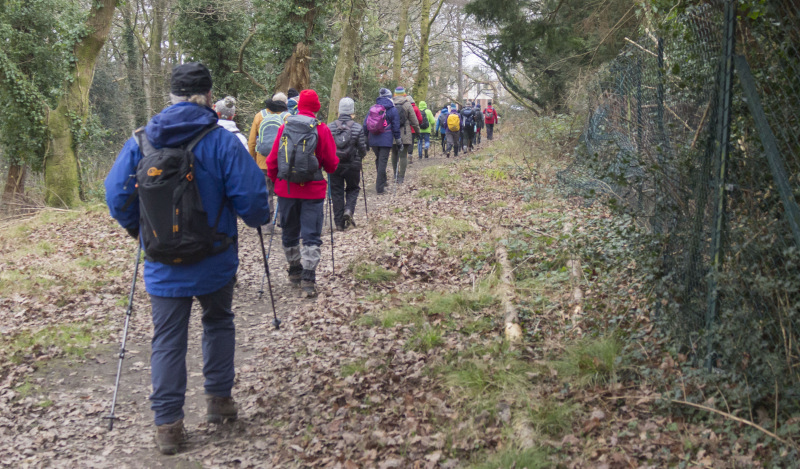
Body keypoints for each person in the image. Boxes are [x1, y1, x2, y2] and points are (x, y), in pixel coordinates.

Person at [104, 62, 270, 455]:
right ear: (209, 96)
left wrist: (143, 232)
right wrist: (254, 217)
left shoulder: (141, 141)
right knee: (218, 321)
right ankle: (219, 401)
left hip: (163, 264)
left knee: (167, 340)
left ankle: (168, 426)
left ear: (172, 96)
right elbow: (253, 204)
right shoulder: (221, 140)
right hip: (215, 258)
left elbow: (116, 196)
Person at [265, 89, 339, 298]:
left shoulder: (284, 127)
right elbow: (332, 164)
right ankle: (308, 277)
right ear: (317, 107)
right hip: (313, 191)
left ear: (298, 106)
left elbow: (272, 161)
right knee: (311, 234)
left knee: (289, 231)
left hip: (286, 189)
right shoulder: (321, 129)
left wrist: (278, 179)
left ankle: (294, 270)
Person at [248, 92, 289, 227]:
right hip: (282, 162)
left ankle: (267, 223)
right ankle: (283, 219)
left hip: (263, 162)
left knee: (267, 193)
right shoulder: (287, 117)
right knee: (283, 191)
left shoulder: (259, 116)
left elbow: (252, 142)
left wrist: (253, 159)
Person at [328, 97, 367, 230]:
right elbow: (362, 148)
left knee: (336, 192)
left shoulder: (331, 127)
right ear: (352, 112)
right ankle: (348, 210)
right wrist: (360, 158)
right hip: (352, 165)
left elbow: (326, 147)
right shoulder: (357, 127)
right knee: (353, 188)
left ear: (339, 111)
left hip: (334, 165)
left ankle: (339, 223)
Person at [364, 88, 401, 194]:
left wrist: (366, 137)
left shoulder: (373, 108)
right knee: (382, 161)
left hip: (373, 138)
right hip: (386, 139)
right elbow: (396, 126)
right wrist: (398, 140)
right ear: (390, 97)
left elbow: (365, 123)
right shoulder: (392, 109)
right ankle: (379, 188)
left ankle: (383, 181)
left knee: (378, 159)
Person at [391, 87, 420, 182]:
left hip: (392, 133)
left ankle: (395, 174)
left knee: (394, 154)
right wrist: (417, 131)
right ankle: (401, 177)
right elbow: (414, 121)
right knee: (403, 155)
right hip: (405, 133)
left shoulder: (391, 103)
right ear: (404, 94)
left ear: (395, 94)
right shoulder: (407, 104)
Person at [408, 96, 424, 164]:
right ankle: (410, 157)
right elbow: (420, 119)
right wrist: (418, 125)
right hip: (413, 129)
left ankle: (403, 157)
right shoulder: (415, 108)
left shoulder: (404, 108)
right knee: (411, 143)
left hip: (403, 129)